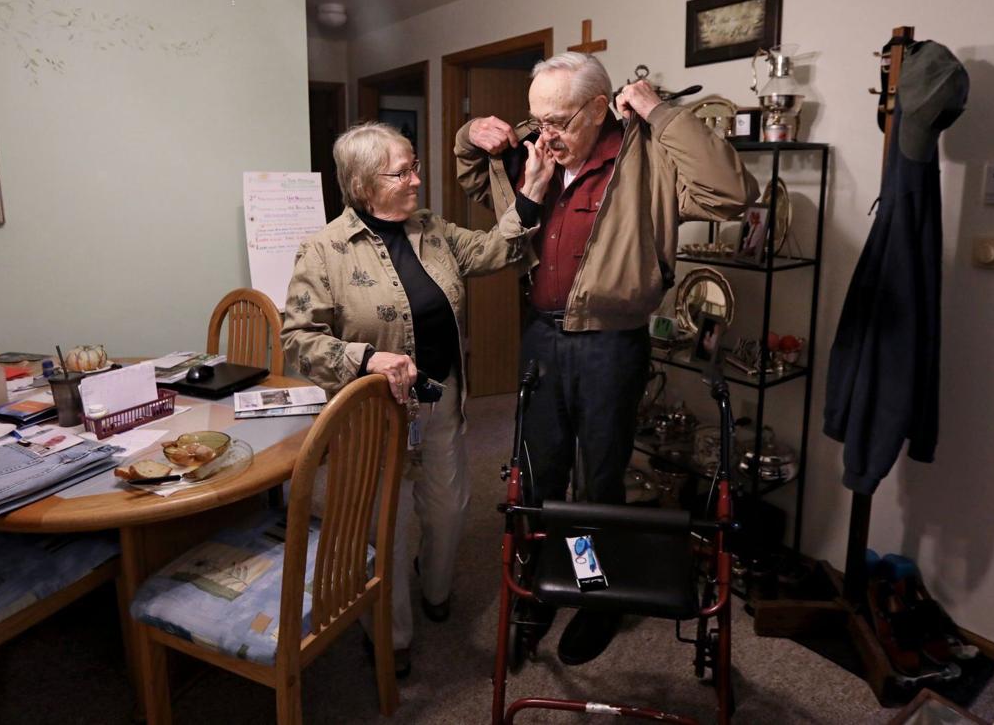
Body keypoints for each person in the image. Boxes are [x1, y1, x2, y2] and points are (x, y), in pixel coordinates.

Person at [456, 52, 756, 665]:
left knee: (597, 481)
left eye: (560, 120)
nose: (545, 134)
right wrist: (469, 135)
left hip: (611, 343)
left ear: (600, 108)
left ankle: (595, 595)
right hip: (541, 336)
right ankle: (541, 591)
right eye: (537, 118)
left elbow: (732, 195)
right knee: (537, 474)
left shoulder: (646, 157)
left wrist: (659, 110)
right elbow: (470, 175)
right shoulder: (531, 151)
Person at [282, 122, 536, 676]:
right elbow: (297, 340)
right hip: (372, 415)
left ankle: (436, 584)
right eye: (403, 171)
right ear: (362, 182)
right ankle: (389, 636)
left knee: (449, 511)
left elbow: (498, 251)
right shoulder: (323, 250)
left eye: (415, 165)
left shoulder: (434, 230)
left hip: (438, 398)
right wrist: (365, 358)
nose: (418, 180)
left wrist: (531, 193)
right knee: (385, 527)